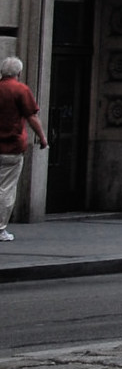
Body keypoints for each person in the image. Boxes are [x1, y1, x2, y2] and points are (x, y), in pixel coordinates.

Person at [0, 57, 48, 243]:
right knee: (6, 189)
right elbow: (32, 117)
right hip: (11, 148)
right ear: (19, 73)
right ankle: (1, 229)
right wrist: (42, 139)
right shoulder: (20, 90)